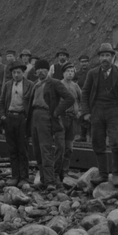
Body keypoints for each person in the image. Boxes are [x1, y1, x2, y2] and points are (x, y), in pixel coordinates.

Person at [82, 43, 118, 185]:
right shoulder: (92, 73)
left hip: (114, 110)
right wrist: (86, 112)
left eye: (108, 56)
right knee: (97, 142)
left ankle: (116, 173)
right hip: (97, 110)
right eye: (102, 55)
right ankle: (103, 173)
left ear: (113, 57)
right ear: (99, 58)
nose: (105, 58)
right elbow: (85, 93)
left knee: (116, 142)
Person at [31, 58, 75, 189]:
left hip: (46, 116)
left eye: (43, 69)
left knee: (46, 149)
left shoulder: (54, 83)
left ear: (48, 70)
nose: (40, 71)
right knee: (37, 150)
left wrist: (56, 112)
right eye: (38, 69)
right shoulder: (35, 84)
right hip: (34, 116)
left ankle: (50, 181)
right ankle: (43, 179)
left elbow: (70, 98)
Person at [0, 59, 33, 186]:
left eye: (18, 72)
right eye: (14, 73)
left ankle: (24, 177)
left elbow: (32, 103)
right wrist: (2, 116)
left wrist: (28, 118)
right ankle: (15, 176)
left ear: (23, 73)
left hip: (22, 119)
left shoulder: (30, 85)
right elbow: (1, 102)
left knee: (23, 149)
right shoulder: (8, 85)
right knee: (12, 149)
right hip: (9, 118)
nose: (16, 75)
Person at [56, 62, 83, 180]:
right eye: (68, 71)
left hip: (72, 120)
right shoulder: (58, 85)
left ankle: (65, 171)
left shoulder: (76, 86)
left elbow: (82, 100)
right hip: (61, 118)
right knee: (59, 147)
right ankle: (56, 172)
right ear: (63, 73)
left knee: (69, 148)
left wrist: (80, 112)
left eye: (72, 71)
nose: (70, 74)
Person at [75, 53, 92, 140]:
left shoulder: (92, 71)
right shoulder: (78, 73)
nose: (84, 63)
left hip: (91, 96)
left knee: (91, 116)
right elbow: (73, 82)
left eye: (85, 61)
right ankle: (83, 136)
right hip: (82, 97)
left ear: (88, 62)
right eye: (82, 62)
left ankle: (92, 136)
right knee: (82, 115)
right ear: (80, 63)